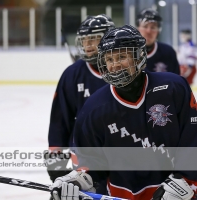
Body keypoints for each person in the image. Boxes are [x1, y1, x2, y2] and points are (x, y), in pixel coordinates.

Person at [50, 25, 197, 200]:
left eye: (122, 56)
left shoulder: (174, 88)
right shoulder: (92, 109)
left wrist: (186, 179)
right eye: (110, 59)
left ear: (139, 56)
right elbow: (91, 163)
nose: (115, 64)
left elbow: (193, 139)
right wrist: (76, 180)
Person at [45, 14, 115, 183]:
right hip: (84, 157)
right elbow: (60, 119)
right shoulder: (72, 74)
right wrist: (56, 157)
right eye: (84, 39)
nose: (88, 45)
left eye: (94, 39)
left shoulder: (123, 71)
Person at [136, 8, 180, 75]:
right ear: (137, 29)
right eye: (145, 26)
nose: (149, 31)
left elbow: (176, 82)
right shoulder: (127, 54)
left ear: (158, 31)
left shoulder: (168, 52)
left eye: (153, 27)